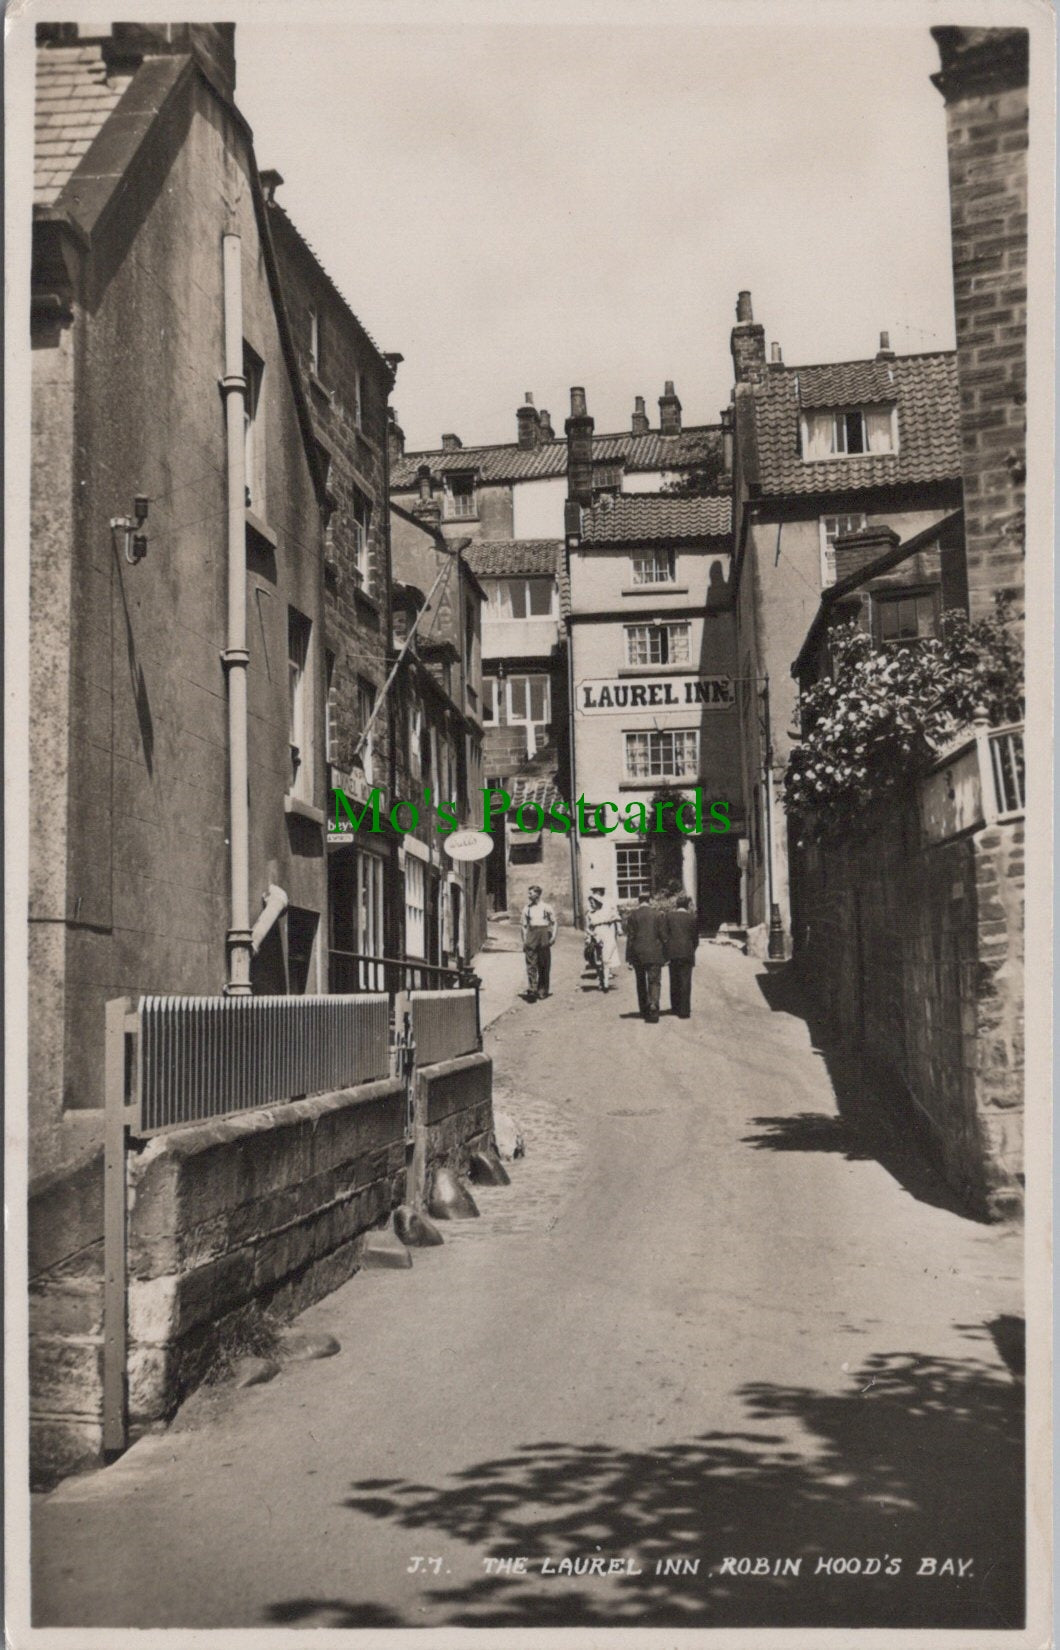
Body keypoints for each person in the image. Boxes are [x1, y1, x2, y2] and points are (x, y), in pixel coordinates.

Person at [622, 891, 668, 1022]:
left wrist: (629, 958)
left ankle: (643, 1010)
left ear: (638, 900)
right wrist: (666, 954)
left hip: (638, 954)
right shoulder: (658, 915)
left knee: (640, 982)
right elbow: (663, 936)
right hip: (655, 953)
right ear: (650, 900)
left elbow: (630, 938)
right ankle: (654, 1005)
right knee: (654, 981)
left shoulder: (632, 916)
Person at [662, 893, 699, 1019]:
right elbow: (695, 938)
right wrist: (691, 949)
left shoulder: (668, 916)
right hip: (687, 952)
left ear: (676, 905)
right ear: (687, 905)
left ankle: (675, 1007)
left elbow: (665, 935)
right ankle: (684, 1011)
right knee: (685, 981)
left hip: (673, 953)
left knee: (674, 980)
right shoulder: (692, 918)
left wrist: (667, 950)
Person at [520, 884, 557, 1001]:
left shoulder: (547, 907)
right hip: (531, 935)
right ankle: (532, 988)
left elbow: (554, 923)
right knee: (531, 963)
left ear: (537, 894)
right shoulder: (527, 909)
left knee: (544, 963)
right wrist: (525, 940)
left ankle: (542, 990)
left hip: (544, 935)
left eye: (530, 893)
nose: (528, 895)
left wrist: (554, 936)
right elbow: (523, 926)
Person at [585, 886, 622, 992]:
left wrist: (619, 928)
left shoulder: (607, 912)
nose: (591, 904)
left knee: (605, 960)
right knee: (598, 962)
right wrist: (591, 935)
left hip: (607, 936)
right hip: (595, 937)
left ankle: (605, 983)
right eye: (590, 902)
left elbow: (617, 917)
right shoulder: (589, 915)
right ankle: (601, 980)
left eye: (593, 902)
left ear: (598, 902)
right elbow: (587, 928)